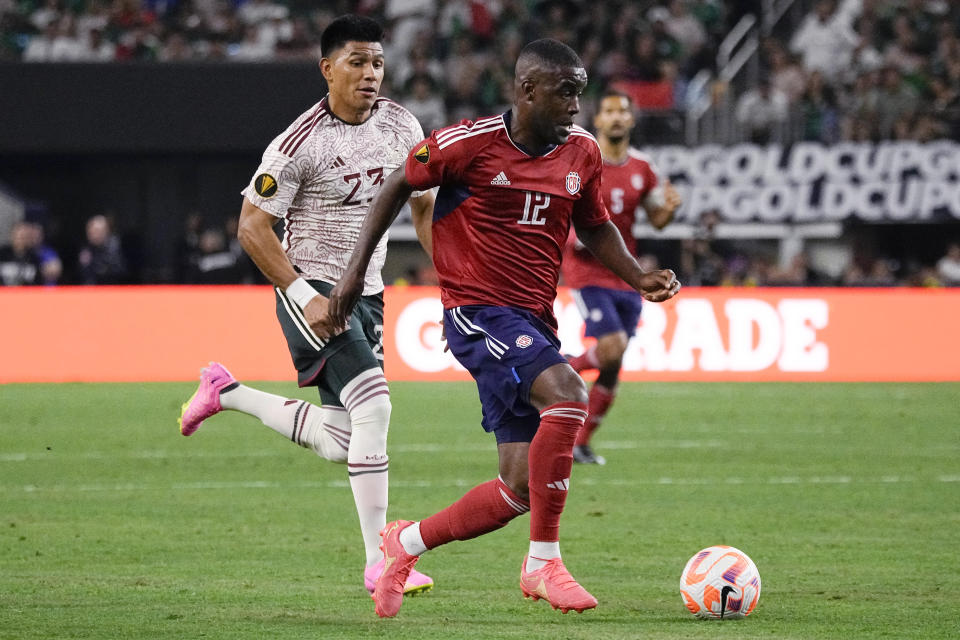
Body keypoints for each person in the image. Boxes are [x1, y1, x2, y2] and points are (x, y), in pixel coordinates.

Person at [326, 38, 681, 617]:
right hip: (476, 310)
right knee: (569, 395)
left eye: (580, 93)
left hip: (533, 317)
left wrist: (638, 276)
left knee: (517, 487)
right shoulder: (469, 143)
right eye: (565, 91)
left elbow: (594, 226)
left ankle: (404, 543)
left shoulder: (582, 153)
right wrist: (353, 275)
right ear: (526, 89)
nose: (575, 105)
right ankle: (543, 564)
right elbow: (397, 184)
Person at [176, 14, 435, 597]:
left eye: (377, 63)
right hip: (313, 291)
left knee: (343, 439)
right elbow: (252, 226)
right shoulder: (298, 143)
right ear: (327, 69)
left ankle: (226, 391)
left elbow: (422, 209)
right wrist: (302, 296)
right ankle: (380, 561)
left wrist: (456, 287)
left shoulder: (402, 125)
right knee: (376, 408)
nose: (370, 74)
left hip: (368, 294)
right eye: (356, 63)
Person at [561, 90, 682, 466]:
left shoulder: (642, 168)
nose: (615, 118)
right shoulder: (581, 159)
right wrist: (570, 236)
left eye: (622, 112)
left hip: (626, 272)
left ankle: (580, 443)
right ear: (598, 120)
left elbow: (657, 221)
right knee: (611, 347)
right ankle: (559, 371)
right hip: (586, 270)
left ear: (631, 120)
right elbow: (559, 205)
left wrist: (671, 210)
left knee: (614, 363)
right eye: (609, 111)